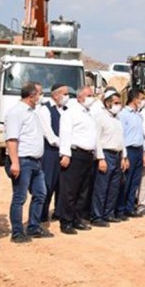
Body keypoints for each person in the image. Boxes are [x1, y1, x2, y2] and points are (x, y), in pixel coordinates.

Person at [4, 82, 52, 242]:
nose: (41, 96)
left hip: (36, 161)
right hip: (23, 160)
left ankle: (33, 226)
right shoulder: (16, 112)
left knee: (40, 194)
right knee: (19, 197)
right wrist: (14, 162)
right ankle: (17, 233)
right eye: (39, 93)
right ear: (32, 96)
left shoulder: (33, 111)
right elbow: (11, 139)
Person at [58, 86, 102, 234]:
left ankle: (78, 219)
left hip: (88, 155)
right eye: (89, 95)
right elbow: (65, 133)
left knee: (83, 191)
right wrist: (65, 153)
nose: (92, 98)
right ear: (80, 97)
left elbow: (94, 136)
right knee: (70, 190)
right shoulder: (70, 113)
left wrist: (97, 154)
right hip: (75, 154)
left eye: (93, 95)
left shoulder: (88, 114)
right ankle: (66, 221)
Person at [91, 90, 128, 226]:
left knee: (114, 187)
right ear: (107, 103)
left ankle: (109, 213)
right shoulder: (100, 118)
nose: (119, 106)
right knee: (101, 187)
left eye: (120, 103)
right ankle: (97, 215)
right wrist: (100, 158)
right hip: (106, 154)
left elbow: (121, 139)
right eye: (116, 103)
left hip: (117, 155)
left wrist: (124, 156)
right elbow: (97, 140)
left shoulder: (117, 119)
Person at [36, 83, 68, 223]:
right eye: (65, 94)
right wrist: (66, 144)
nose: (67, 97)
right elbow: (49, 135)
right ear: (56, 95)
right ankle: (42, 214)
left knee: (62, 184)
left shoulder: (66, 110)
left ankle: (59, 211)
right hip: (51, 152)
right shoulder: (45, 110)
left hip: (64, 152)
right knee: (48, 183)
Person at [116, 89, 145, 219]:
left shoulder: (138, 115)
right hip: (129, 150)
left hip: (138, 149)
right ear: (134, 99)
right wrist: (124, 155)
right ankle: (120, 209)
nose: (142, 101)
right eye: (141, 98)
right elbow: (121, 135)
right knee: (125, 181)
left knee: (135, 182)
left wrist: (143, 153)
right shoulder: (124, 114)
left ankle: (129, 207)